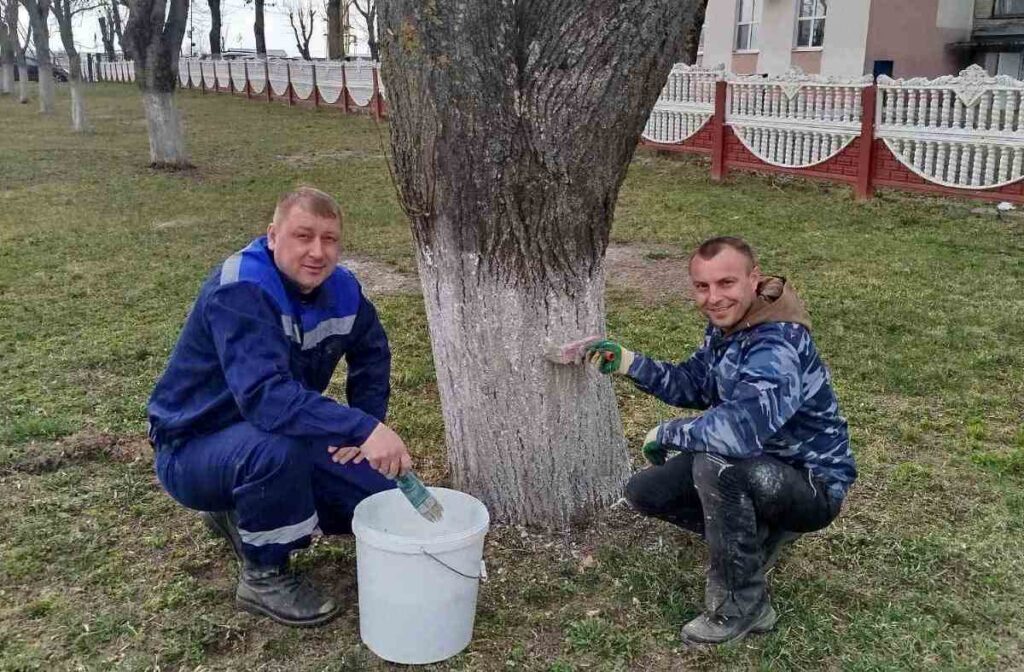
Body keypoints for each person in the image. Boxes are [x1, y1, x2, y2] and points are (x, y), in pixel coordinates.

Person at [147, 186, 412, 627]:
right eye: (303, 236)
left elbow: (372, 353)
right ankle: (263, 574)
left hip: (272, 429)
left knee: (375, 499)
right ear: (273, 236)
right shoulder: (242, 288)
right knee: (274, 453)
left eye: (329, 239)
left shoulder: (343, 289)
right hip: (193, 447)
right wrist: (362, 429)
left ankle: (237, 512)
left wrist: (366, 420)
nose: (317, 252)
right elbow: (266, 399)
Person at [586, 236, 855, 646]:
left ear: (753, 279)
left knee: (718, 462)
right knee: (646, 491)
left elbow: (738, 432)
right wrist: (629, 363)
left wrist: (667, 433)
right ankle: (757, 535)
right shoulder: (731, 326)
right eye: (702, 286)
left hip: (810, 485)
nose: (713, 298)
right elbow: (696, 384)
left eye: (726, 283)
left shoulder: (777, 343)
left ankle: (743, 607)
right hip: (759, 468)